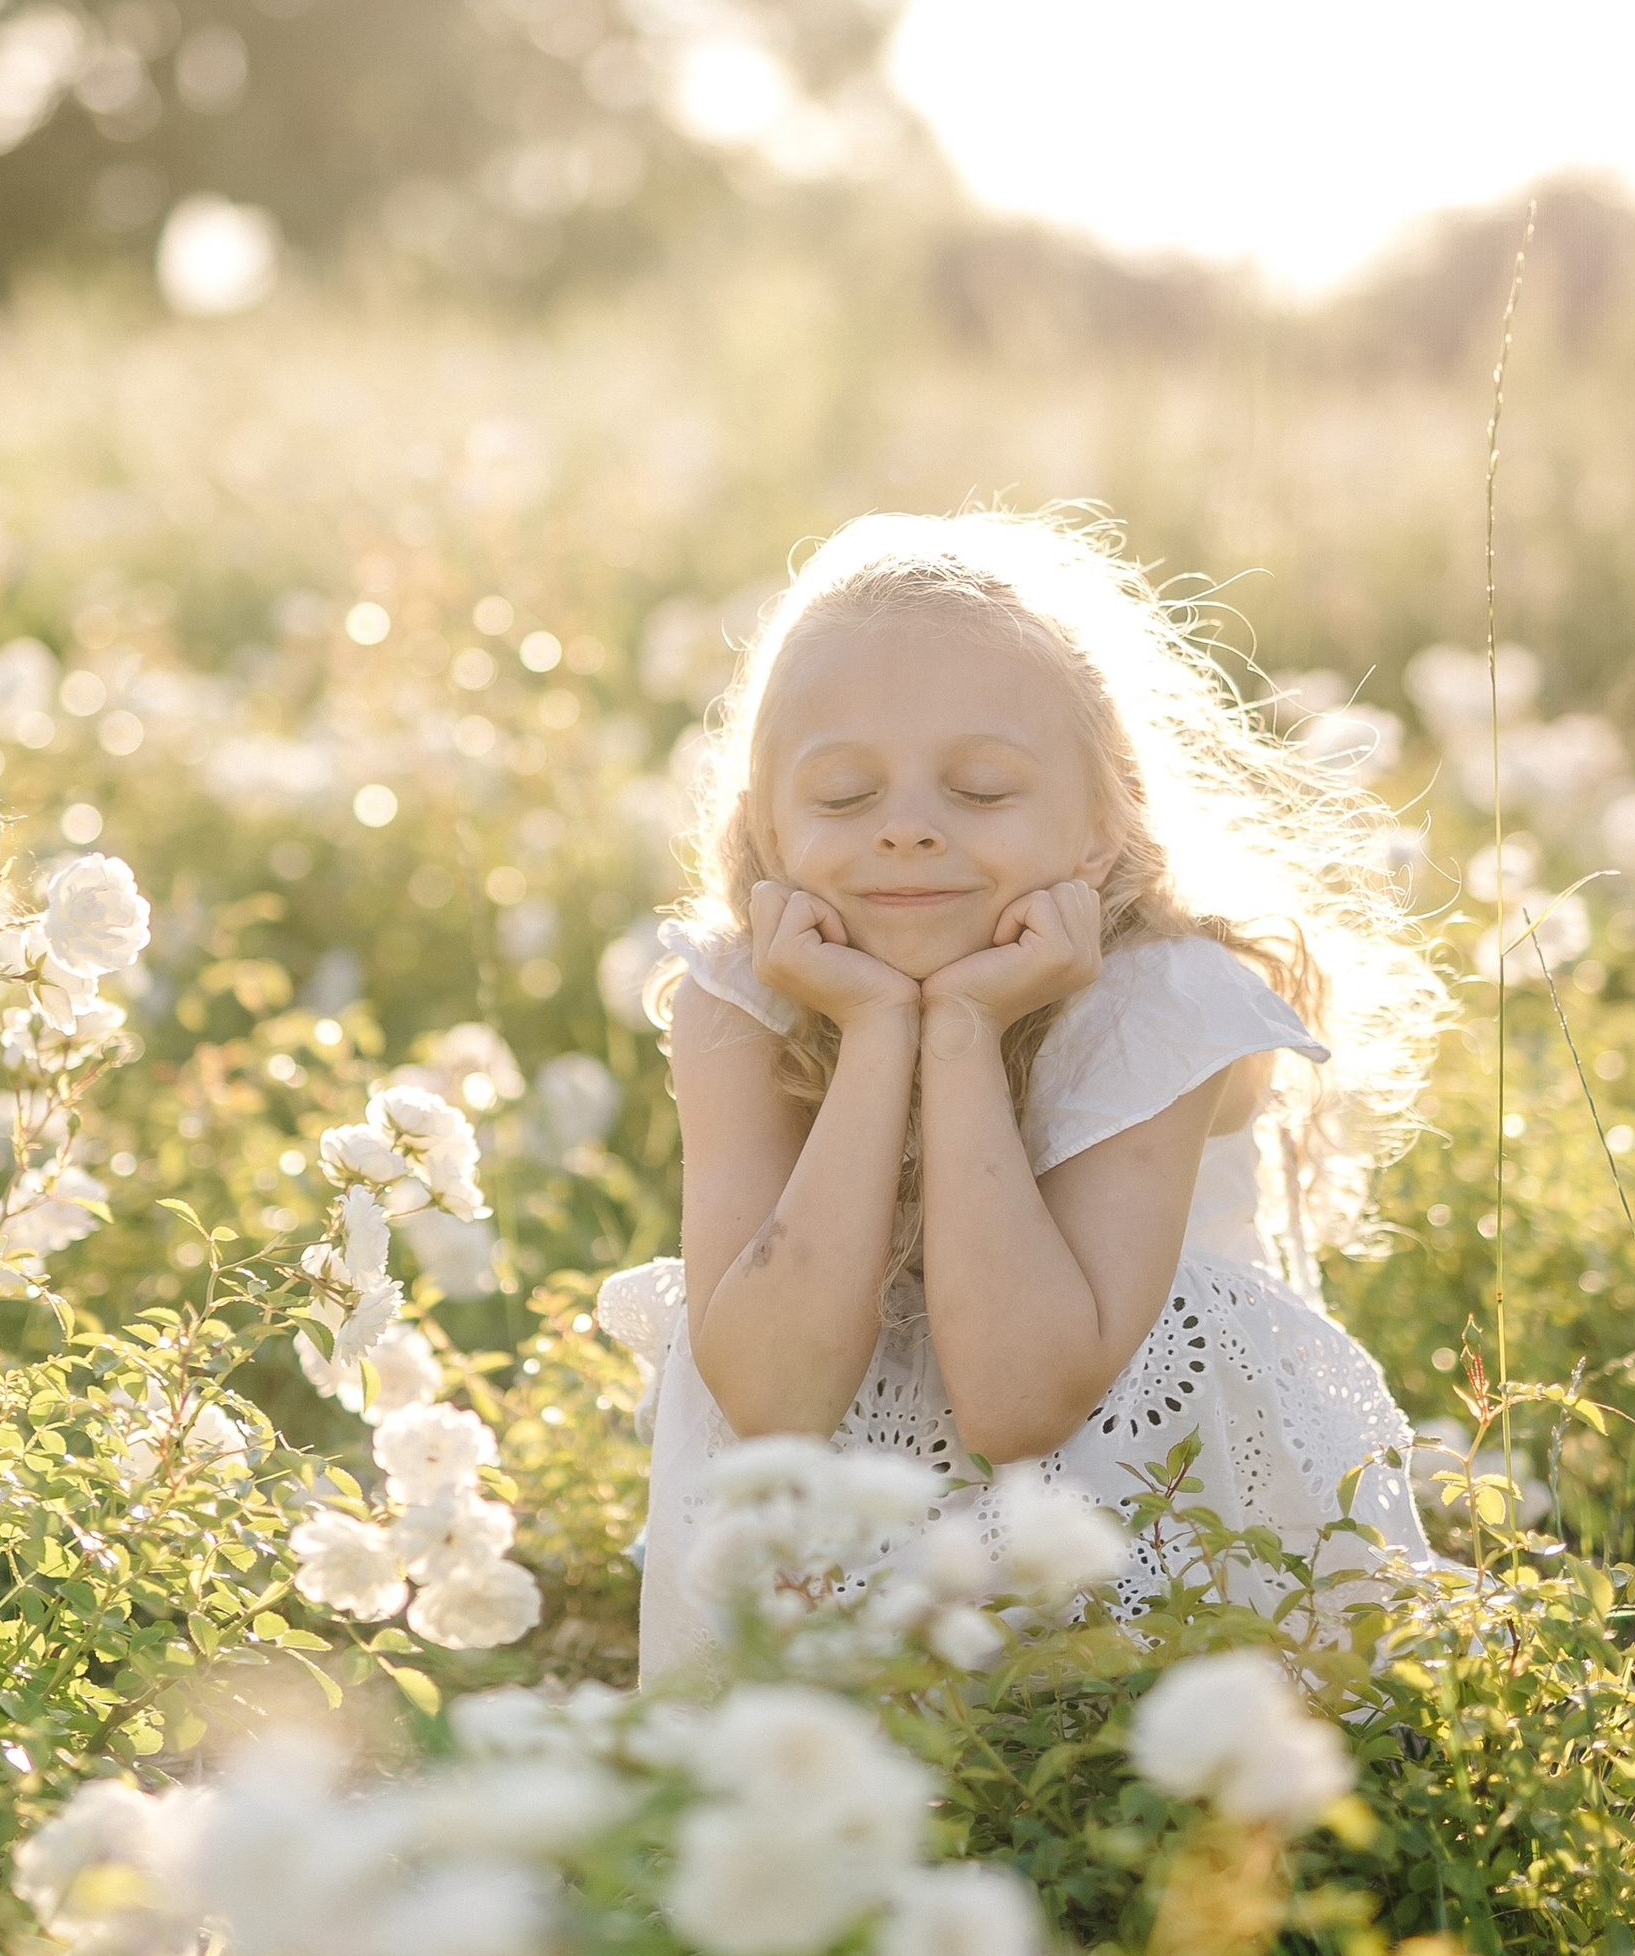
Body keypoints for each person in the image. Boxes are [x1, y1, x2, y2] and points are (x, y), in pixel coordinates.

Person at [599, 510, 1447, 1680]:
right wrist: (876, 1028)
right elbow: (773, 1395)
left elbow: (1019, 1399)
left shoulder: (1162, 1004)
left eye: (984, 791)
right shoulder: (739, 1008)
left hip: (1139, 1570)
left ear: (1102, 830)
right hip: (836, 1583)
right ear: (767, 834)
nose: (905, 830)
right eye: (842, 797)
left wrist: (963, 1031)